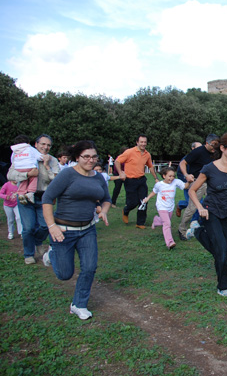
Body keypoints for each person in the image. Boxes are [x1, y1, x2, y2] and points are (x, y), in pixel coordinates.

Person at [41, 140, 111, 320]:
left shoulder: (98, 177)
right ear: (77, 157)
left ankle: (78, 304)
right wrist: (51, 226)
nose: (91, 160)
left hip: (87, 230)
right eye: (86, 156)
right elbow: (47, 198)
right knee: (65, 275)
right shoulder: (67, 175)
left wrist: (103, 211)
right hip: (63, 230)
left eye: (94, 156)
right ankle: (52, 254)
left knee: (89, 268)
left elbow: (106, 199)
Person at [189, 133, 227, 298]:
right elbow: (192, 190)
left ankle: (197, 232)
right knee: (221, 251)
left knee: (222, 250)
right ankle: (224, 286)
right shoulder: (209, 168)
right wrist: (200, 208)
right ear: (222, 148)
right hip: (211, 212)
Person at [8, 134, 60, 264]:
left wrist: (47, 166)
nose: (45, 147)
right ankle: (29, 254)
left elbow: (57, 180)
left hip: (44, 198)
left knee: (45, 226)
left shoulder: (53, 160)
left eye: (48, 145)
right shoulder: (24, 156)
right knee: (28, 228)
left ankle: (38, 241)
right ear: (35, 145)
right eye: (43, 144)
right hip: (25, 197)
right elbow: (10, 174)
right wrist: (27, 174)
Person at [178, 134, 219, 240]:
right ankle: (182, 230)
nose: (214, 147)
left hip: (210, 182)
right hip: (197, 182)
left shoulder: (216, 152)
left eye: (216, 145)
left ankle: (208, 228)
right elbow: (183, 163)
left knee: (214, 204)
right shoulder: (198, 151)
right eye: (213, 145)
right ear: (207, 143)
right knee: (192, 207)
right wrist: (186, 175)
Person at [114, 135, 159, 229]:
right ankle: (126, 211)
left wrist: (155, 178)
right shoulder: (129, 152)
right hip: (130, 180)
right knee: (133, 202)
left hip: (141, 180)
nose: (143, 144)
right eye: (141, 142)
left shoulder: (147, 154)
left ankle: (140, 223)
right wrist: (120, 173)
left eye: (145, 142)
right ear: (137, 142)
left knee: (144, 201)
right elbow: (117, 161)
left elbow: (150, 166)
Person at [142, 166, 189, 249]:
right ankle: (170, 242)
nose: (172, 178)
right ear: (164, 176)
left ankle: (156, 220)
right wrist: (147, 198)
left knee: (165, 222)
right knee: (167, 224)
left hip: (170, 207)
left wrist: (189, 181)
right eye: (170, 176)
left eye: (173, 176)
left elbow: (185, 186)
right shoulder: (159, 185)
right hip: (161, 207)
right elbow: (154, 192)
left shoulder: (176, 182)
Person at [10, 135, 45, 204]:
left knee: (24, 179)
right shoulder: (30, 148)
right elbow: (39, 156)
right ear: (28, 143)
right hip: (30, 167)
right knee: (34, 177)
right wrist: (44, 158)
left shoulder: (15, 150)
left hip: (18, 168)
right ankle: (30, 193)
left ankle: (21, 193)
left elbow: (12, 160)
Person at [175, 141, 202, 217]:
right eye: (198, 148)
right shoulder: (186, 159)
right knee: (195, 202)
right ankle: (195, 221)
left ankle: (181, 204)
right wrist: (186, 182)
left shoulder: (201, 158)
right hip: (188, 184)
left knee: (196, 202)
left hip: (198, 184)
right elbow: (180, 172)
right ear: (193, 148)